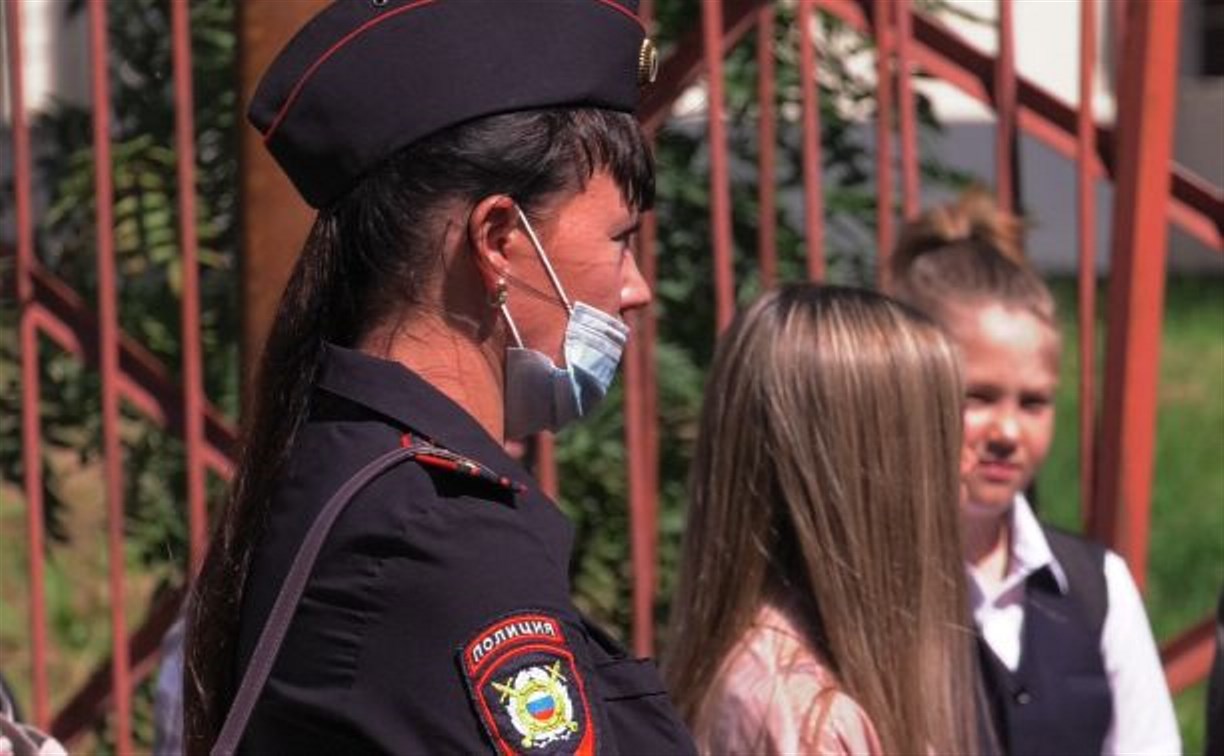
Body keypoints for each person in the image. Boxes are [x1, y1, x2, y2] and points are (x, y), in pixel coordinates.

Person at [184, 1, 694, 754]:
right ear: (496, 239)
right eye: (620, 239)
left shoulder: (348, 458)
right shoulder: (442, 537)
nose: (636, 287)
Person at [890, 189, 1181, 756]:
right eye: (979, 396)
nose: (1007, 432)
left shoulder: (1097, 586)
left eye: (1033, 403)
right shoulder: (871, 585)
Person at [665, 284, 981, 755]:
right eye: (939, 438)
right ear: (879, 470)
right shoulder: (813, 722)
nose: (968, 462)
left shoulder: (761, 672)